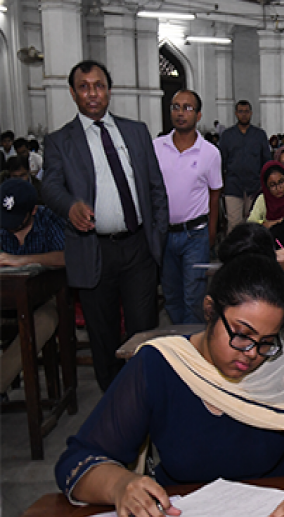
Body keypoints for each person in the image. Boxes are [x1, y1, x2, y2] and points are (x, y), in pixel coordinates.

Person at [54, 224, 284, 517]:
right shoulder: (161, 365)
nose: (251, 353)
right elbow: (77, 462)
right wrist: (120, 485)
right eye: (242, 334)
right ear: (210, 310)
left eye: (266, 341)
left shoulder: (280, 363)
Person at [43, 59, 168, 392]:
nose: (92, 93)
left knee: (144, 332)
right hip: (93, 250)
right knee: (104, 335)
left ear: (109, 90)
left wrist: (157, 237)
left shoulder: (136, 131)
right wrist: (70, 206)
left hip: (138, 248)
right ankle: (115, 401)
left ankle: (146, 397)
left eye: (98, 86)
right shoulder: (60, 141)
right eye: (83, 87)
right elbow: (50, 186)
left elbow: (156, 187)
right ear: (73, 94)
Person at [153, 90, 223, 325]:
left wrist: (211, 233)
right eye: (176, 107)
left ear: (198, 115)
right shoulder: (156, 147)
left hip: (195, 235)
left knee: (193, 297)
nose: (180, 113)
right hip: (164, 234)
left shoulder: (210, 153)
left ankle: (192, 342)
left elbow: (215, 194)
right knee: (171, 296)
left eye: (187, 108)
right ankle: (179, 340)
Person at [0, 179, 66, 393]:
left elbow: (65, 257)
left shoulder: (49, 219)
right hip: (6, 300)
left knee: (40, 323)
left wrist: (20, 260)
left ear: (33, 210)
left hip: (46, 300)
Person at [219, 100, 271, 234]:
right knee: (234, 224)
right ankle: (235, 247)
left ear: (251, 113)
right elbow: (221, 162)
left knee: (254, 224)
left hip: (255, 187)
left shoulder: (259, 135)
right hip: (233, 186)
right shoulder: (227, 135)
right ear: (236, 113)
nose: (244, 115)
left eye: (246, 111)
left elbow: (266, 161)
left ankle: (252, 247)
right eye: (241, 112)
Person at [247, 161, 284, 228]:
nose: (278, 188)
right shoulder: (263, 199)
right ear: (266, 186)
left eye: (281, 182)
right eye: (272, 185)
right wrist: (270, 223)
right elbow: (250, 223)